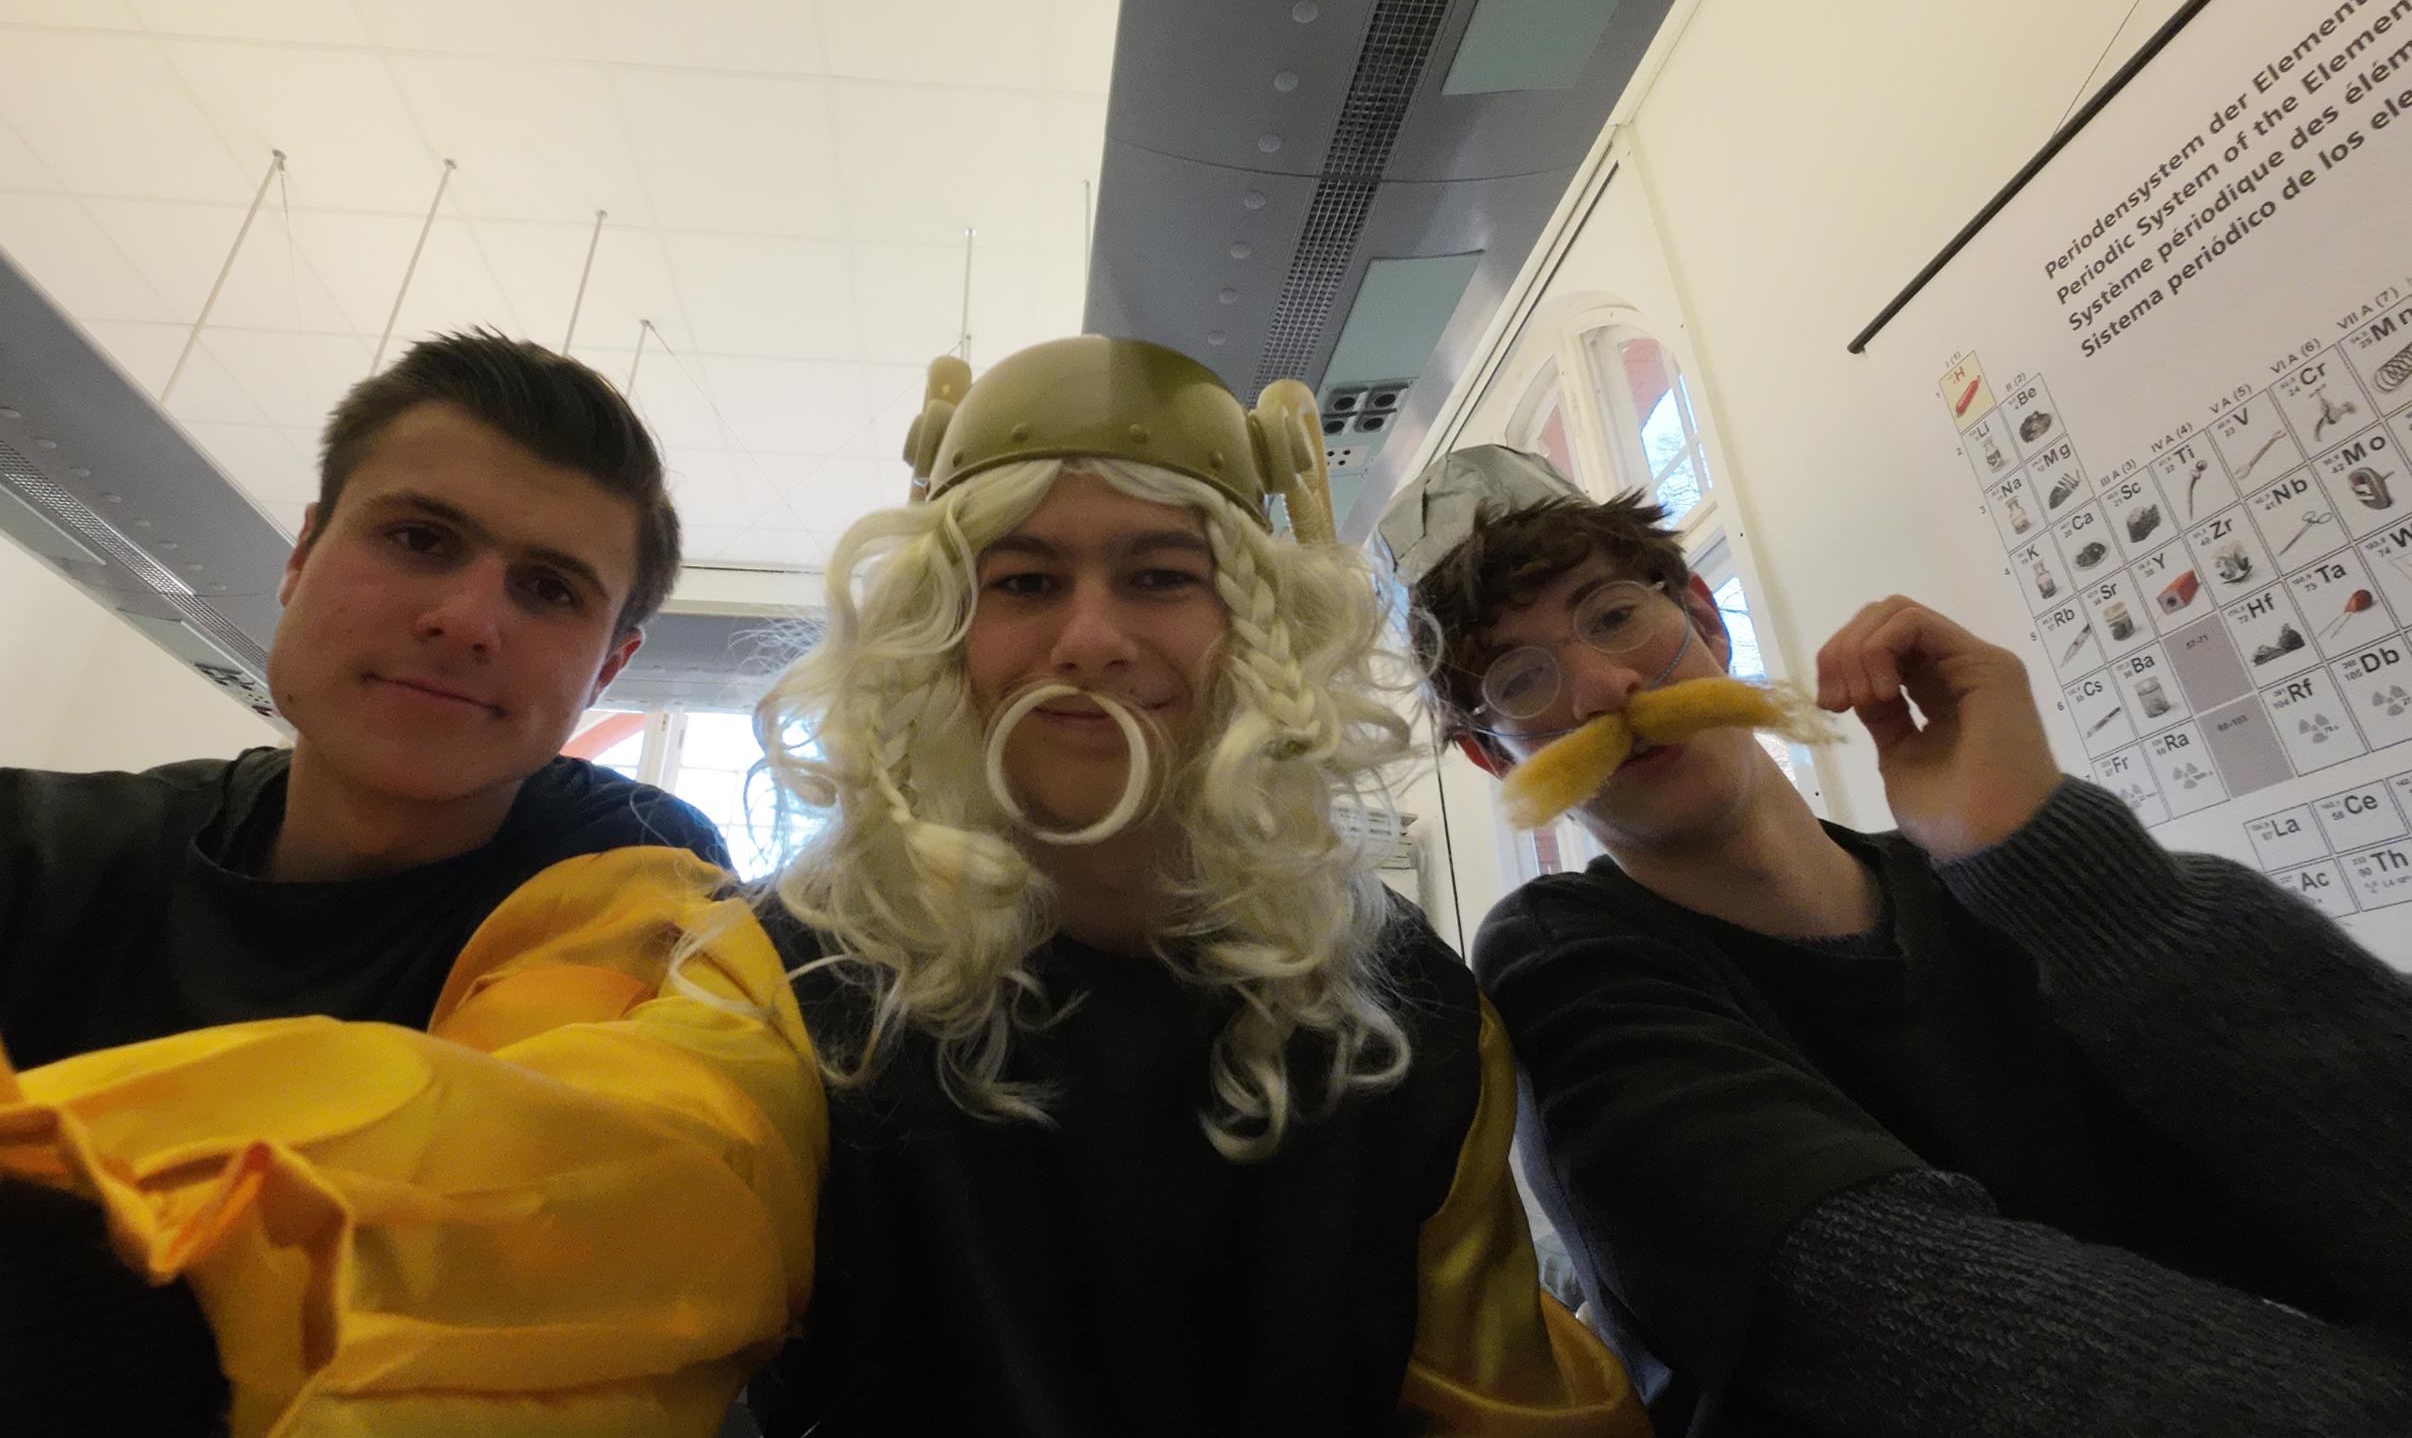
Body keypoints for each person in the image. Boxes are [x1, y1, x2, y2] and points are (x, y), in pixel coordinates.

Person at [1383, 444, 2412, 1437]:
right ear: (1492, 756)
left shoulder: (1982, 890)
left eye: (1614, 616)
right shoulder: (1564, 966)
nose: (1607, 689)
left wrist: (2037, 844)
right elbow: (1952, 1341)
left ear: (1702, 618)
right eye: (1520, 679)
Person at [734, 336, 1648, 1436]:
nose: (1091, 640)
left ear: (1259, 630)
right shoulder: (785, 977)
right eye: (1025, 581)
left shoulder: (1406, 1008)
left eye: (1160, 576)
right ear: (941, 633)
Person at [0, 328, 744, 1431]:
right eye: (419, 538)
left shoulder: (639, 896)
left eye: (548, 590)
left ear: (609, 669)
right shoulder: (44, 849)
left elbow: (507, 1273)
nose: (467, 621)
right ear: (301, 556)